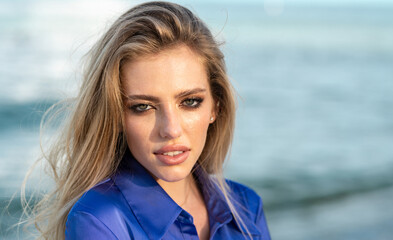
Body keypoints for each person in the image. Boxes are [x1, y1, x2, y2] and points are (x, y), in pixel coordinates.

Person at [25, 1, 270, 239]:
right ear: (117, 116)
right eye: (143, 107)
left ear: (216, 106)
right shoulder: (100, 220)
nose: (171, 129)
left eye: (190, 101)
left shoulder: (246, 207)